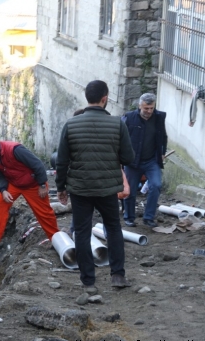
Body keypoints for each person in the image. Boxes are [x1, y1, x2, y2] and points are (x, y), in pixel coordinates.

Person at [55, 80, 135, 292]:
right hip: (108, 188)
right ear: (105, 98)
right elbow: (128, 156)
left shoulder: (71, 125)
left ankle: (88, 282)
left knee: (81, 232)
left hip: (80, 189)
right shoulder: (118, 124)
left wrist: (61, 187)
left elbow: (61, 160)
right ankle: (118, 275)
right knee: (113, 228)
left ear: (87, 98)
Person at [0, 138, 59, 248]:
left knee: (44, 213)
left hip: (33, 184)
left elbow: (38, 165)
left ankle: (56, 239)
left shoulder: (15, 149)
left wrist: (42, 185)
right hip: (15, 184)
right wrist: (3, 190)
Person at [68, 108, 130, 235]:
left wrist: (62, 187)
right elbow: (125, 158)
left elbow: (64, 161)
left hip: (82, 187)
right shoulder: (112, 129)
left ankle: (75, 235)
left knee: (81, 225)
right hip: (106, 187)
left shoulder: (73, 132)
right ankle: (112, 246)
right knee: (112, 224)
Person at [122, 93, 168, 228]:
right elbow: (121, 137)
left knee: (156, 185)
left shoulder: (159, 117)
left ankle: (148, 217)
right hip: (132, 161)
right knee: (130, 191)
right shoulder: (129, 118)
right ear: (139, 106)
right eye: (146, 108)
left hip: (151, 160)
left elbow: (163, 136)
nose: (149, 111)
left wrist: (162, 152)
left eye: (151, 108)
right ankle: (129, 217)